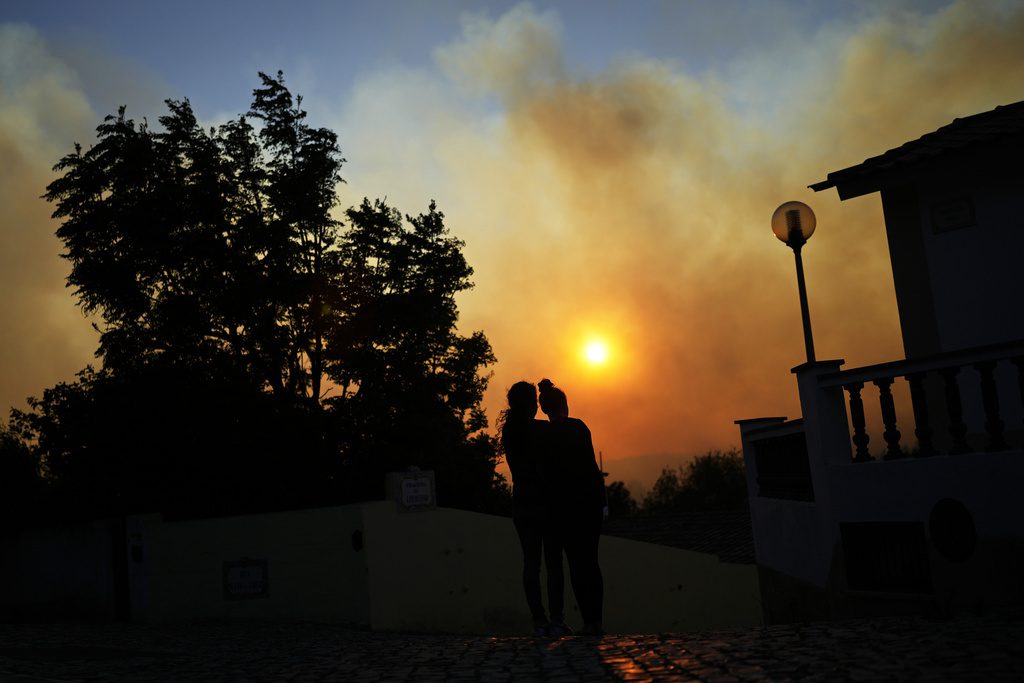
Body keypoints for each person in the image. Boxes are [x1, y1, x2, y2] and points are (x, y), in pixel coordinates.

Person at [499, 381, 568, 636]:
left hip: (522, 502)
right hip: (546, 502)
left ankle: (538, 621)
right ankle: (557, 620)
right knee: (553, 564)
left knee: (531, 564)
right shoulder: (541, 430)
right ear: (532, 404)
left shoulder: (509, 430)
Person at [538, 378, 606, 636]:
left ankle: (588, 622)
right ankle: (595, 620)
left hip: (562, 507)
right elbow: (590, 467)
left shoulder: (543, 436)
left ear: (543, 409)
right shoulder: (579, 427)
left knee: (576, 565)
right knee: (591, 562)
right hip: (589, 503)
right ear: (565, 404)